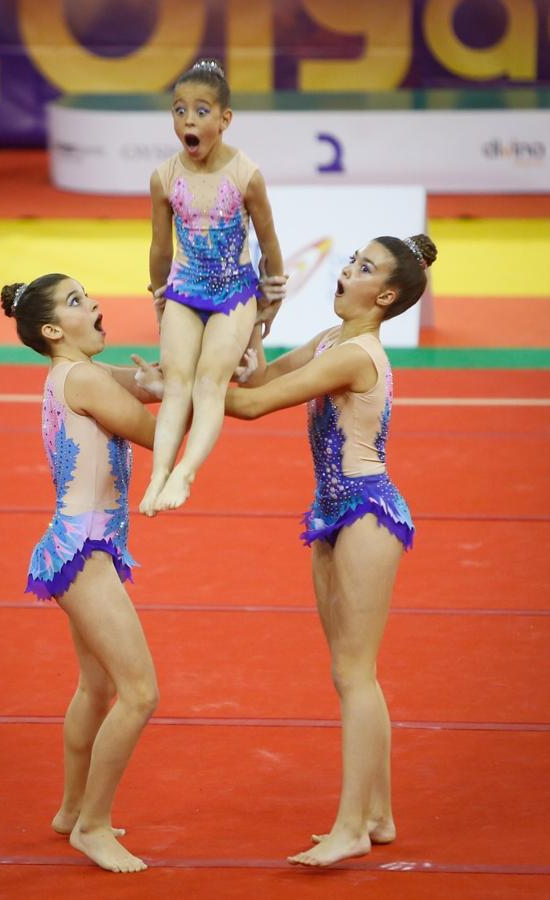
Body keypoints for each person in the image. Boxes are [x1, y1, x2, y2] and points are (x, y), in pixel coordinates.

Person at [223, 233, 437, 867]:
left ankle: (352, 827)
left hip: (369, 510)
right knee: (349, 674)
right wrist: (254, 322)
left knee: (355, 672)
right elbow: (256, 377)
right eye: (351, 260)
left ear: (387, 295)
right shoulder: (328, 341)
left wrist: (175, 388)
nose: (347, 270)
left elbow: (254, 405)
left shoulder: (358, 354)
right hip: (330, 514)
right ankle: (379, 813)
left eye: (364, 268)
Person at [0, 273, 160, 874]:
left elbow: (140, 390)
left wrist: (167, 380)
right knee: (140, 693)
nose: (92, 304)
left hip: (84, 547)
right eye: (75, 302)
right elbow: (150, 430)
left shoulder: (73, 374)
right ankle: (92, 826)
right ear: (50, 330)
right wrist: (205, 390)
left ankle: (71, 809)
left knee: (97, 689)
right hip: (84, 551)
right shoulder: (85, 378)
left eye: (86, 295)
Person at [140, 57, 284, 516]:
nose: (188, 120)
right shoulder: (164, 178)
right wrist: (159, 296)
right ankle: (159, 473)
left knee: (209, 383)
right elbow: (160, 247)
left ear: (224, 120)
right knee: (176, 383)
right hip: (184, 288)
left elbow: (269, 242)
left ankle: (185, 472)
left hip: (234, 293)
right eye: (179, 110)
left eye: (201, 111)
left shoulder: (245, 175)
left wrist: (270, 304)